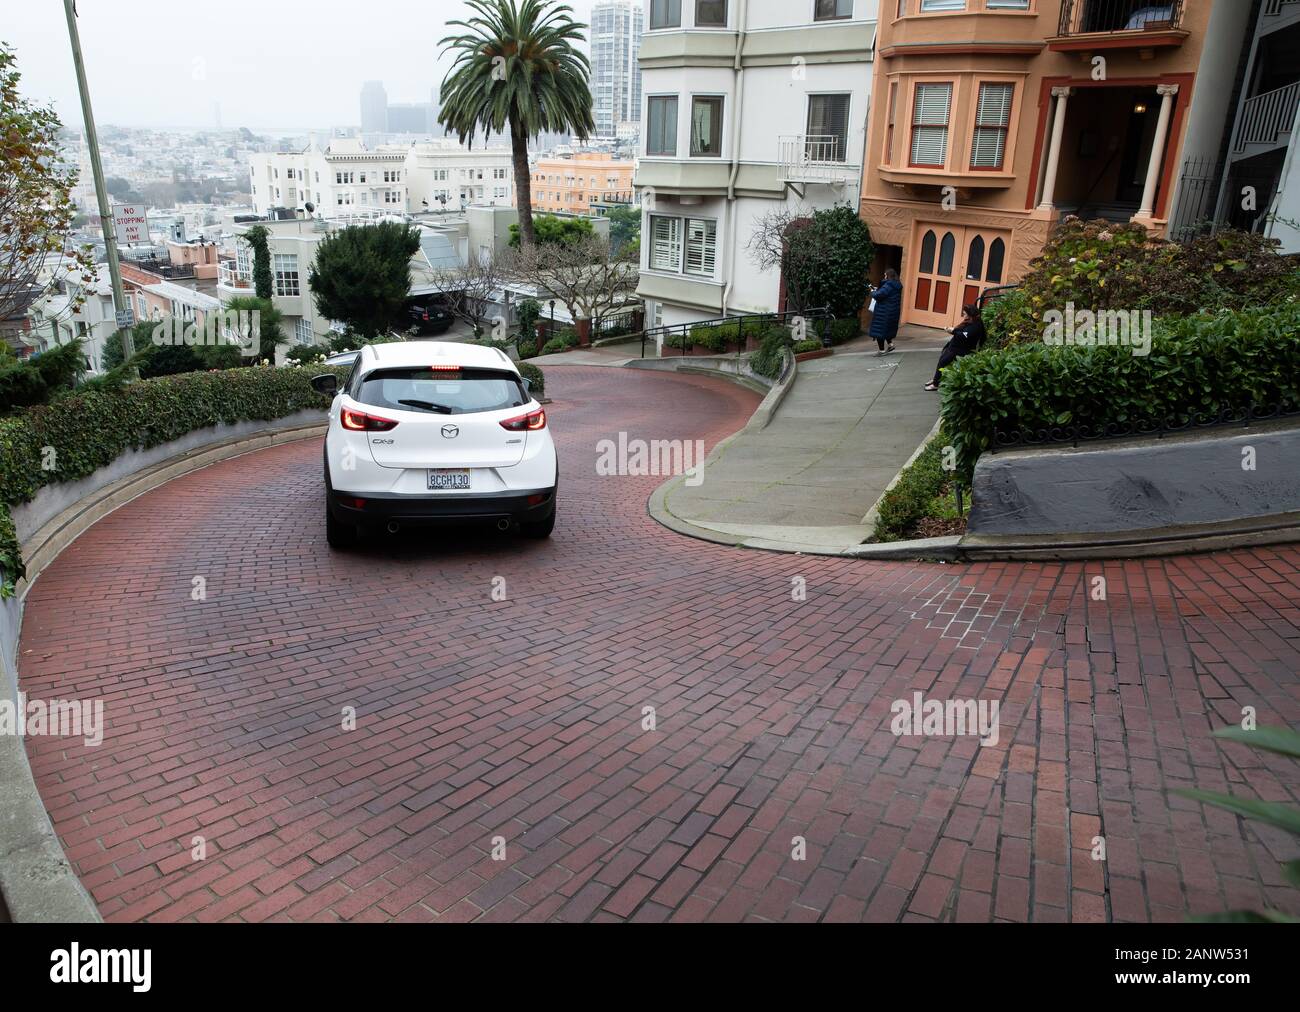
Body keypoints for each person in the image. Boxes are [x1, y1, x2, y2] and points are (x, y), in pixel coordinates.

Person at [924, 304, 986, 392]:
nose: (963, 315)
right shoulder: (969, 321)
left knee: (943, 363)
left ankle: (936, 384)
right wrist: (953, 330)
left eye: (964, 314)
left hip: (960, 349)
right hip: (954, 346)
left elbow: (965, 335)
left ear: (970, 315)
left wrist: (953, 331)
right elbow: (961, 332)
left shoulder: (976, 325)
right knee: (942, 361)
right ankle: (936, 379)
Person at [868, 268, 903, 355]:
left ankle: (881, 351)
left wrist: (872, 292)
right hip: (892, 312)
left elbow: (879, 295)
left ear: (888, 275)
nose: (884, 277)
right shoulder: (897, 285)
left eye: (885, 275)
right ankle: (890, 345)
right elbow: (886, 294)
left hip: (884, 312)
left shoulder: (888, 285)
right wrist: (878, 290)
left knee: (879, 331)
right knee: (886, 330)